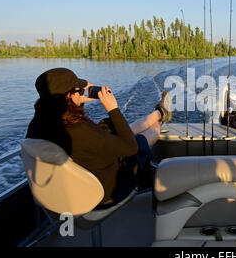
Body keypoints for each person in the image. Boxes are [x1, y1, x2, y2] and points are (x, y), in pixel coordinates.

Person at [26, 67, 172, 208]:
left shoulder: (37, 126)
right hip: (104, 192)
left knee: (117, 130)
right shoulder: (79, 131)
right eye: (78, 91)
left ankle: (159, 113)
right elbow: (130, 147)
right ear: (69, 96)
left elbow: (80, 131)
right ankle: (160, 119)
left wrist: (78, 101)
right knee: (143, 138)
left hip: (70, 188)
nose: (80, 93)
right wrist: (113, 109)